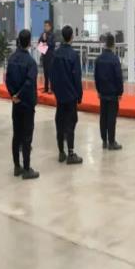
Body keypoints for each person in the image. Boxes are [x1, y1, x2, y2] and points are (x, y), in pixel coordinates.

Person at [6, 29, 39, 180]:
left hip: (16, 103)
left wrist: (13, 95)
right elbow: (29, 83)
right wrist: (19, 95)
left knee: (16, 135)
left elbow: (8, 79)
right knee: (27, 136)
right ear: (29, 42)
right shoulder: (31, 62)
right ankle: (26, 168)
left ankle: (16, 166)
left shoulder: (11, 59)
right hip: (26, 103)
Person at [51, 25, 83, 165]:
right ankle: (70, 153)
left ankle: (61, 152)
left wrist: (54, 90)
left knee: (60, 122)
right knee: (70, 123)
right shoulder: (73, 55)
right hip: (70, 95)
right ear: (72, 37)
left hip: (60, 95)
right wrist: (79, 95)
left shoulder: (56, 53)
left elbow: (52, 74)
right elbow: (77, 77)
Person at [94, 33, 124, 151]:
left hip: (102, 93)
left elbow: (96, 76)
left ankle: (104, 141)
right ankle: (112, 142)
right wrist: (120, 92)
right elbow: (118, 77)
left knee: (103, 117)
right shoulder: (115, 59)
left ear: (105, 44)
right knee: (111, 117)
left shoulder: (99, 59)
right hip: (112, 94)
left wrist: (98, 90)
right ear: (113, 45)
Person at [38, 20, 56, 93]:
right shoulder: (43, 34)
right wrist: (43, 40)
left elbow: (52, 45)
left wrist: (45, 41)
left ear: (50, 27)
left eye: (47, 26)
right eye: (44, 26)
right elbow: (40, 45)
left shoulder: (52, 35)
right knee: (45, 73)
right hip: (44, 56)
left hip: (51, 56)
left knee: (51, 73)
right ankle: (45, 88)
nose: (45, 27)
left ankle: (52, 89)